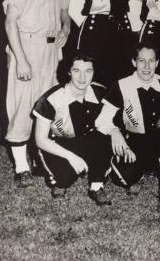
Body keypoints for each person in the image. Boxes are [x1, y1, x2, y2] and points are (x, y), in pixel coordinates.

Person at [3, 0, 71, 188]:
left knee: (49, 105)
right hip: (27, 48)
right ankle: (22, 168)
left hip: (52, 51)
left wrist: (65, 30)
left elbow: (66, 14)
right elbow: (10, 24)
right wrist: (21, 60)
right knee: (22, 105)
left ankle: (44, 159)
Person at [95, 44, 160, 210]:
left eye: (151, 61)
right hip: (133, 143)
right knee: (123, 179)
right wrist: (114, 131)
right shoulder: (121, 85)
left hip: (159, 141)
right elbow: (101, 119)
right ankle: (141, 173)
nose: (147, 67)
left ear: (157, 62)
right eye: (142, 61)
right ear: (134, 62)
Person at [33, 53, 112, 205]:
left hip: (86, 139)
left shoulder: (100, 92)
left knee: (103, 137)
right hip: (58, 143)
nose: (83, 77)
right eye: (77, 71)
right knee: (64, 177)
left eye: (88, 71)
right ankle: (60, 180)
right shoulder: (51, 99)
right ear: (68, 71)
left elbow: (110, 122)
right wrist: (71, 157)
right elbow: (40, 139)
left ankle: (96, 186)